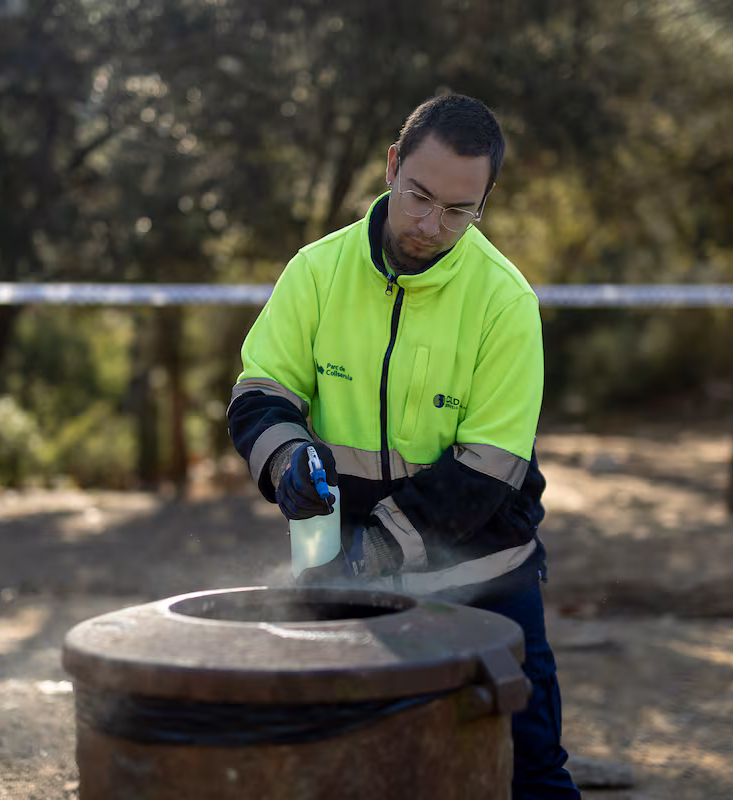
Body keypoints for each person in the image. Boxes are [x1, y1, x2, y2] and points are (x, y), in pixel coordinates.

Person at [227, 93, 580, 798]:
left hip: (485, 584)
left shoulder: (506, 302)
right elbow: (261, 392)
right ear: (392, 165)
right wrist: (288, 459)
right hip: (341, 573)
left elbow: (487, 471)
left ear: (484, 201)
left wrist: (370, 554)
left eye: (458, 211)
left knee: (530, 771)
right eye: (418, 196)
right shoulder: (316, 272)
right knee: (349, 772)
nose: (429, 225)